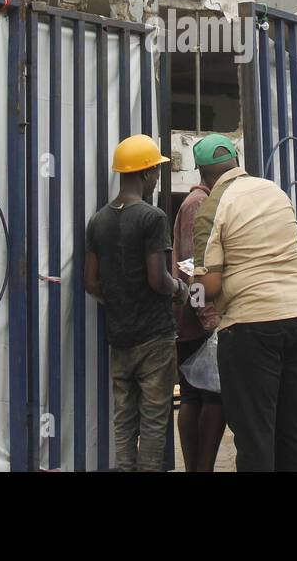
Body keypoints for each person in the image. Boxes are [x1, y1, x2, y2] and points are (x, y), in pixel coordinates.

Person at [191, 134, 297, 471]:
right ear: (236, 161)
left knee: (254, 432)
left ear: (202, 175)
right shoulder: (274, 191)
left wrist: (191, 290)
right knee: (295, 425)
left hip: (252, 325)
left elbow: (209, 284)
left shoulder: (212, 207)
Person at [84, 134, 189, 472]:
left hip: (120, 336)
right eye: (156, 171)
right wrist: (180, 290)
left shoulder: (98, 221)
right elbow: (157, 279)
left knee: (123, 420)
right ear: (145, 174)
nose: (158, 177)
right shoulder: (152, 218)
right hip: (154, 338)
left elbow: (91, 282)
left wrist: (118, 300)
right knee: (155, 421)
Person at [172, 151, 225, 472]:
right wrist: (209, 320)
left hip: (192, 314)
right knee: (207, 397)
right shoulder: (198, 205)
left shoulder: (200, 202)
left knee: (199, 395)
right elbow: (193, 266)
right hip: (198, 319)